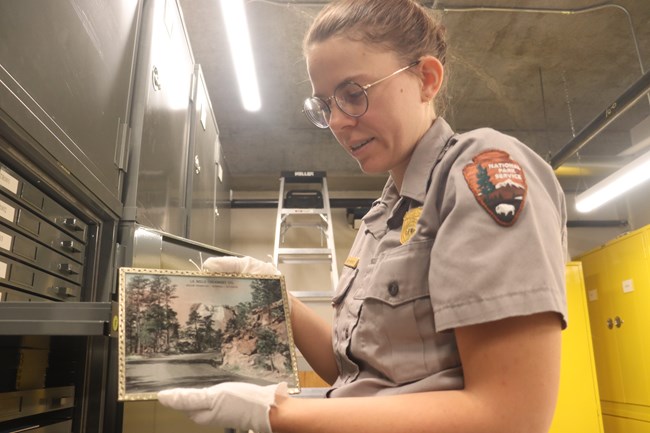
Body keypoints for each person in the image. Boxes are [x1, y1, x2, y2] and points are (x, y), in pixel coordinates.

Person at [157, 0, 568, 432]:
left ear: (426, 79)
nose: (336, 121)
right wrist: (274, 297)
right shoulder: (383, 216)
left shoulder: (477, 171)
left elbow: (512, 415)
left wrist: (277, 413)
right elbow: (357, 377)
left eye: (353, 94)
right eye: (325, 105)